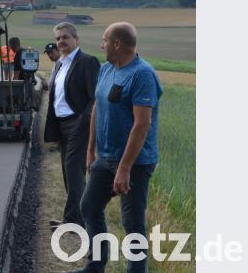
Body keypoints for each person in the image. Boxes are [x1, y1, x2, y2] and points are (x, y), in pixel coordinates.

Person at [72, 22, 162, 273]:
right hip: (106, 156)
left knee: (132, 222)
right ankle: (96, 266)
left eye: (104, 40)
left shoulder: (142, 74)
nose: (101, 45)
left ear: (117, 44)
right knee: (89, 206)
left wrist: (124, 168)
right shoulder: (106, 69)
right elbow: (97, 109)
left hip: (136, 162)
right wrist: (91, 150)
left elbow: (142, 125)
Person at [44, 22, 100, 231]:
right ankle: (77, 219)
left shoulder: (87, 61)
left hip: (79, 123)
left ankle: (73, 221)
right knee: (68, 173)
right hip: (62, 124)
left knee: (74, 171)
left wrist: (83, 123)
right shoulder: (59, 64)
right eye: (58, 38)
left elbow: (94, 98)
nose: (61, 42)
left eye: (65, 37)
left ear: (76, 40)